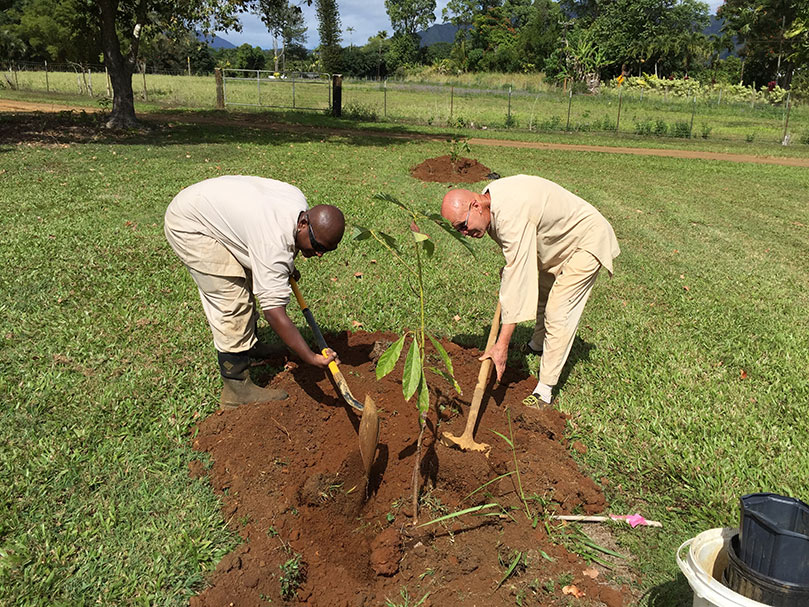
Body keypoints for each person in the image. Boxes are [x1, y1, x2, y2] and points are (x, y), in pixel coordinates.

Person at [164, 175, 344, 409]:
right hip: (192, 224)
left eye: (326, 251)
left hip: (213, 209)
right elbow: (274, 313)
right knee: (231, 299)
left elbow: (277, 248)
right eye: (317, 246)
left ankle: (250, 345)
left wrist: (285, 267)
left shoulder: (297, 205)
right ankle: (236, 387)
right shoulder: (272, 241)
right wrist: (309, 357)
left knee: (252, 277)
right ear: (303, 224)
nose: (319, 255)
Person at [441, 174, 620, 407]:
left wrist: (501, 344)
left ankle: (544, 392)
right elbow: (516, 260)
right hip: (556, 242)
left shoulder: (510, 212)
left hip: (586, 240)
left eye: (463, 226)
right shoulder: (490, 202)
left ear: (475, 205)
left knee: (558, 310)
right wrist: (511, 271)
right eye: (459, 231)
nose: (465, 233)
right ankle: (537, 345)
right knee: (543, 294)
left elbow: (518, 278)